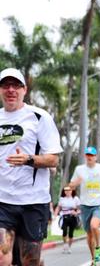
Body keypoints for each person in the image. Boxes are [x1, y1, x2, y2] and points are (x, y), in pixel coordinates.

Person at [0, 68, 62, 266]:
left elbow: (53, 160)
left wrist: (29, 159)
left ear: (24, 90)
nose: (11, 90)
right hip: (3, 201)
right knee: (2, 257)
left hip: (33, 201)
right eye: (5, 85)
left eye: (16, 85)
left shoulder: (39, 117)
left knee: (30, 261)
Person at [70, 146, 100, 265]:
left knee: (94, 226)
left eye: (92, 155)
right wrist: (75, 183)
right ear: (85, 156)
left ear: (96, 157)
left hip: (99, 203)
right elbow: (71, 185)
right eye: (87, 155)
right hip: (85, 205)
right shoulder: (79, 169)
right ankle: (94, 258)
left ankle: (98, 247)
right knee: (89, 234)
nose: (89, 157)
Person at [54, 186, 81, 254]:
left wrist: (76, 212)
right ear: (64, 191)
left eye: (69, 190)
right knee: (64, 231)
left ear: (72, 191)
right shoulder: (62, 199)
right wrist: (55, 214)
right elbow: (58, 207)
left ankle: (69, 247)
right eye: (66, 190)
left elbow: (80, 209)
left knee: (71, 233)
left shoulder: (75, 199)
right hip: (64, 217)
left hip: (72, 217)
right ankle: (65, 244)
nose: (67, 192)